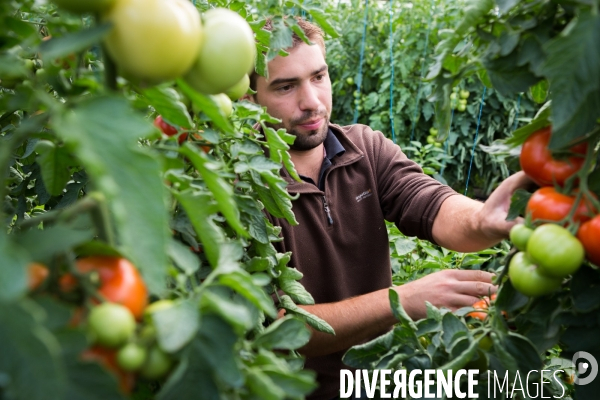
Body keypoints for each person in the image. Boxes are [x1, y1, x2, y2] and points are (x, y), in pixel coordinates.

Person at [247, 18, 531, 400]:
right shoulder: (245, 186)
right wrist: (403, 299)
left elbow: (431, 203)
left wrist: (482, 219)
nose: (312, 101)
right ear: (250, 98)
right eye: (286, 86)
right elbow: (280, 329)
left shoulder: (365, 149)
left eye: (318, 77)